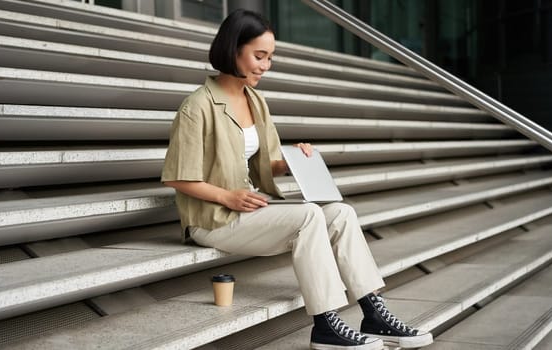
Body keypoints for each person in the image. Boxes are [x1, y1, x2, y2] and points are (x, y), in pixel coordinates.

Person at [161, 9, 433, 350]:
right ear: (233, 50)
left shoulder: (255, 100)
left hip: (251, 209)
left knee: (341, 212)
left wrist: (291, 161)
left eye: (270, 58)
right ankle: (326, 324)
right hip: (213, 218)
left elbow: (267, 163)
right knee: (308, 215)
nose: (265, 65)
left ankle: (372, 312)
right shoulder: (197, 106)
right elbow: (178, 178)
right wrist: (229, 197)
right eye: (259, 56)